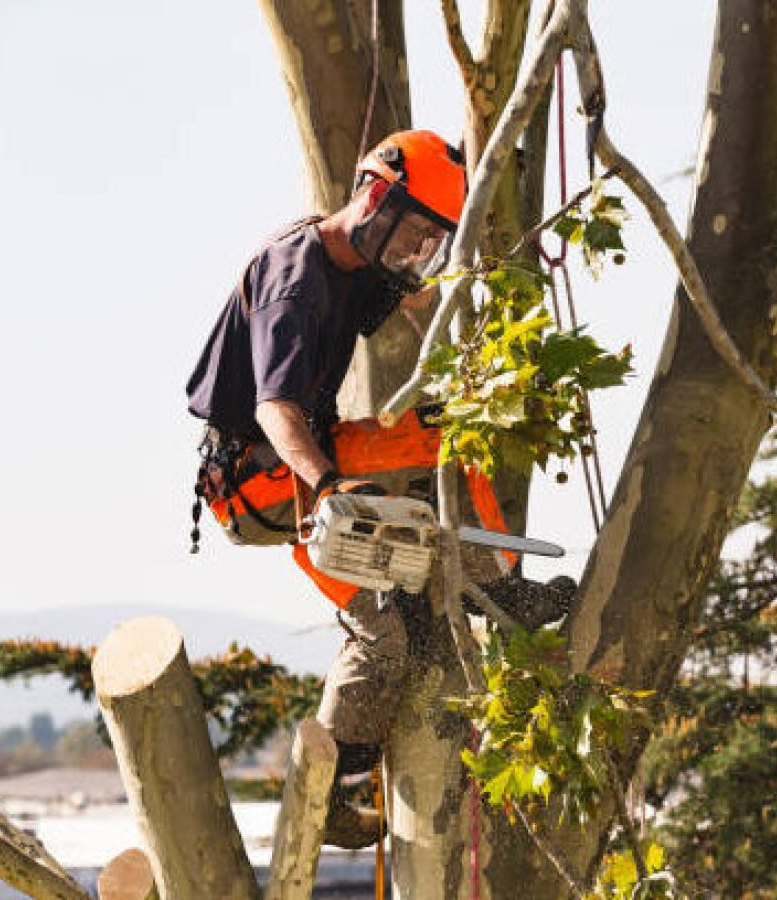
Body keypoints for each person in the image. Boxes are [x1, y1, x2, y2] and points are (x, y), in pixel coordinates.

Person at [186, 130, 573, 848]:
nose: (417, 250)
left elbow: (419, 300)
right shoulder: (296, 278)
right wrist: (331, 484)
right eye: (417, 232)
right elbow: (276, 407)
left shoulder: (359, 260)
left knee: (400, 606)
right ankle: (496, 594)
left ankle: (493, 590)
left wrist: (494, 356)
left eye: (432, 239)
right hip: (262, 477)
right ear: (374, 197)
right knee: (422, 494)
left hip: (304, 463)